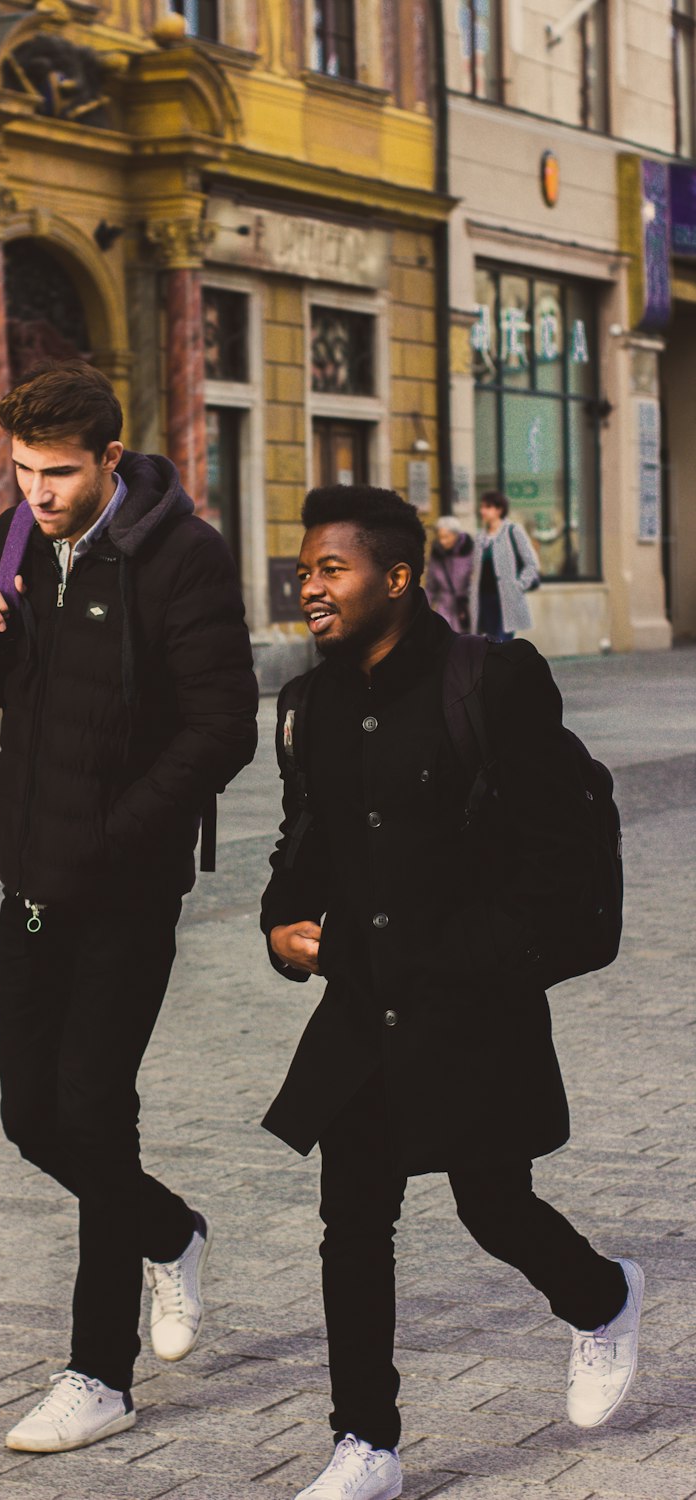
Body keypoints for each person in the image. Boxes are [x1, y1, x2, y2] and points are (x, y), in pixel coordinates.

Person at [261, 483, 643, 1500]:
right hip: (359, 1010)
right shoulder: (308, 705)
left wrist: (469, 952)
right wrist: (280, 925)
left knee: (491, 1202)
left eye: (330, 569)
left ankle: (602, 1299)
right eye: (303, 571)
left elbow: (555, 859)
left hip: (472, 1003)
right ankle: (365, 1445)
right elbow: (302, 848)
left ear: (396, 577)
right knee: (351, 1217)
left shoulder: (495, 682)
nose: (310, 587)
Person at [0, 360, 258, 1455]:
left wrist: (117, 835)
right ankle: (168, 1232)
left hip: (124, 886)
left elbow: (223, 725)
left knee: (91, 1106)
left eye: (60, 473)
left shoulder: (184, 556)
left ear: (110, 461)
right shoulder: (16, 535)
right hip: (31, 873)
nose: (37, 492)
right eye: (24, 470)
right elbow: (15, 693)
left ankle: (98, 1374)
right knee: (29, 1117)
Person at [470, 489, 539, 641]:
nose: (482, 511)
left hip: (506, 598)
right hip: (484, 599)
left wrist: (519, 585)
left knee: (502, 642)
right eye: (482, 507)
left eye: (487, 507)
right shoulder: (480, 537)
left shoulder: (513, 531)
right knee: (489, 642)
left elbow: (531, 562)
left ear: (499, 509)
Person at [424, 514, 473, 632]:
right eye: (440, 537)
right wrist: (424, 610)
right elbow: (431, 587)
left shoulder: (470, 551)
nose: (442, 541)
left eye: (446, 537)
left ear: (456, 535)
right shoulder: (437, 555)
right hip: (444, 608)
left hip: (466, 608)